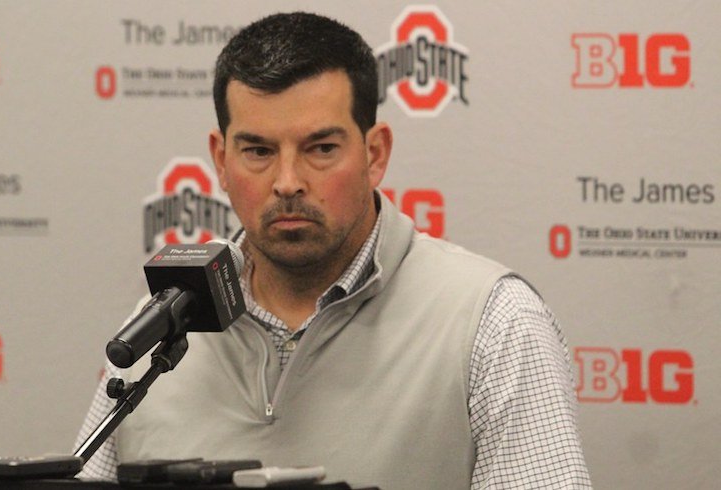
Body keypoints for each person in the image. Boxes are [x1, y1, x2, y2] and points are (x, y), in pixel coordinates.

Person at [76, 12, 591, 489]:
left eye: (321, 149)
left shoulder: (493, 323)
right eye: (258, 151)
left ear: (375, 154)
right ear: (220, 159)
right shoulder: (165, 321)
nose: (287, 182)